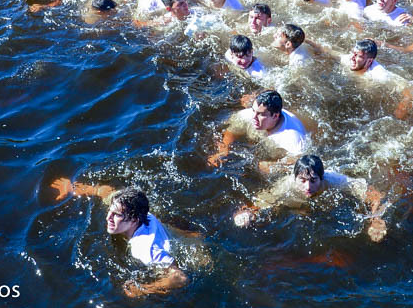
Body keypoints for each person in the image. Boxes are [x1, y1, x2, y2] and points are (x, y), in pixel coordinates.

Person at [48, 182, 188, 297]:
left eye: (116, 215)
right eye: (110, 210)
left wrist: (143, 289)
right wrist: (71, 188)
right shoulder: (140, 212)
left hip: (188, 251)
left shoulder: (143, 249)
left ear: (134, 219)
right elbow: (105, 191)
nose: (108, 217)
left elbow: (179, 278)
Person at [233, 155, 387, 241]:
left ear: (322, 177)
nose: (308, 187)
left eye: (313, 181)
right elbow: (260, 202)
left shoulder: (335, 180)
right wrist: (248, 213)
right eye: (303, 180)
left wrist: (376, 220)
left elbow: (374, 195)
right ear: (295, 178)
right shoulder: (287, 184)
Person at [208, 90, 310, 167]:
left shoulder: (293, 138)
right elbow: (231, 130)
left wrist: (272, 166)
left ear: (275, 116)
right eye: (254, 111)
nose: (254, 117)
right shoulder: (248, 115)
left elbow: (301, 161)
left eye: (261, 114)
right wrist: (224, 149)